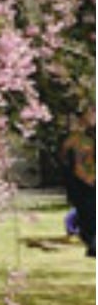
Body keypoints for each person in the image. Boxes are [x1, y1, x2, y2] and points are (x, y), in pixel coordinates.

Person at [59, 106, 95, 258]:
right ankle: (93, 245)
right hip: (86, 184)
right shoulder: (79, 139)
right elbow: (73, 161)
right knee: (88, 215)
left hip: (85, 182)